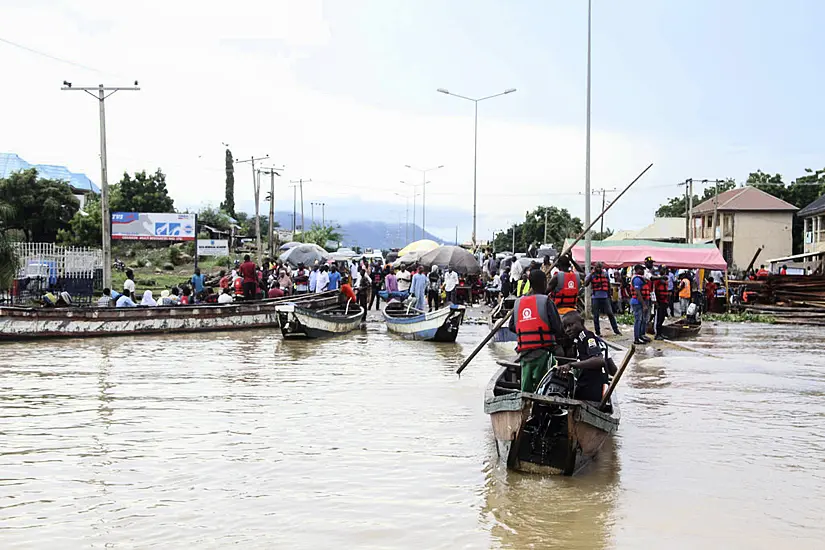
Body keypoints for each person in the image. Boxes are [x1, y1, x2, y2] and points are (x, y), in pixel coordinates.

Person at [508, 269, 564, 393]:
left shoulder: (519, 302)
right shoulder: (546, 301)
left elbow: (512, 326)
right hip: (543, 352)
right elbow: (557, 328)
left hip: (524, 353)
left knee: (526, 386)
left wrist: (526, 328)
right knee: (542, 385)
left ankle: (525, 405)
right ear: (544, 282)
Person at [559, 311, 610, 402]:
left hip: (591, 389)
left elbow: (599, 361)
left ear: (582, 322)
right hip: (592, 386)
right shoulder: (582, 340)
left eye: (571, 325)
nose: (568, 330)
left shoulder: (586, 336)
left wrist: (571, 365)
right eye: (565, 327)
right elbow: (612, 368)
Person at [585, 262, 620, 336]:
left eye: (600, 267)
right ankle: (598, 332)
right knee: (596, 315)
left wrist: (610, 295)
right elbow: (585, 284)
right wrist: (591, 274)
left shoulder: (605, 274)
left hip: (605, 297)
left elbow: (608, 285)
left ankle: (616, 330)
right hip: (595, 297)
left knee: (610, 313)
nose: (599, 269)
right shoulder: (591, 275)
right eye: (597, 267)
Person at [630, 264, 650, 345]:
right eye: (641, 269)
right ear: (637, 270)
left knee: (643, 320)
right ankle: (636, 338)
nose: (643, 271)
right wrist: (644, 304)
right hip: (637, 302)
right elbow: (638, 292)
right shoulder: (637, 279)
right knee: (638, 320)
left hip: (641, 301)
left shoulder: (641, 278)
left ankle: (641, 335)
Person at [652, 266, 670, 340]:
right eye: (663, 269)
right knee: (659, 318)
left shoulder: (665, 279)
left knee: (662, 318)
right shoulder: (658, 279)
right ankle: (657, 334)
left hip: (664, 301)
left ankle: (660, 333)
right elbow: (655, 290)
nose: (664, 271)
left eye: (665, 269)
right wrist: (656, 302)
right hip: (660, 301)